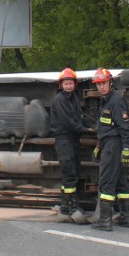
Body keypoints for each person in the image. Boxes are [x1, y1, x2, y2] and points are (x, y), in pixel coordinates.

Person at [91, 68, 129, 231]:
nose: (101, 87)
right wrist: (98, 146)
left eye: (103, 83)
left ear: (110, 83)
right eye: (98, 84)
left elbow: (125, 128)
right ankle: (126, 217)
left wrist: (126, 149)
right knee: (121, 183)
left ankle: (105, 221)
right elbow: (105, 126)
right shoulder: (106, 100)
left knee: (106, 182)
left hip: (114, 146)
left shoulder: (115, 101)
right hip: (108, 144)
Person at [49, 68, 89, 218]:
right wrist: (85, 130)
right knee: (69, 174)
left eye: (70, 83)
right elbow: (68, 122)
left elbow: (78, 118)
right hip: (64, 140)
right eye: (66, 83)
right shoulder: (59, 100)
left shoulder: (73, 99)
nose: (68, 86)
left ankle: (66, 206)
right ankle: (72, 207)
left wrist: (89, 126)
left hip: (73, 140)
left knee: (73, 173)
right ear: (61, 85)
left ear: (74, 84)